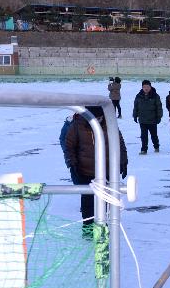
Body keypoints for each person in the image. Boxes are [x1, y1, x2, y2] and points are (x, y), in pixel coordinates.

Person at [64, 106, 128, 236]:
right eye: (95, 118)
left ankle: (101, 225)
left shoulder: (110, 125)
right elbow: (69, 146)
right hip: (85, 170)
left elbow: (120, 144)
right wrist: (72, 163)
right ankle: (87, 228)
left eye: (100, 118)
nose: (98, 121)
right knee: (87, 200)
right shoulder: (77, 126)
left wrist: (123, 161)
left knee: (104, 198)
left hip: (106, 169)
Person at [133, 80, 163, 154]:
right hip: (142, 120)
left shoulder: (155, 96)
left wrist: (159, 117)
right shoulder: (139, 95)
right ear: (142, 87)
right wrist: (135, 115)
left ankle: (156, 146)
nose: (146, 88)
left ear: (150, 87)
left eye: (147, 87)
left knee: (154, 135)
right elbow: (136, 106)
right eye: (144, 87)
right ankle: (144, 149)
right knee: (143, 136)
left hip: (152, 119)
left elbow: (159, 107)